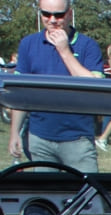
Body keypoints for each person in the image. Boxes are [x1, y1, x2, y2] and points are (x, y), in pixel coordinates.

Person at [8, 0, 105, 173]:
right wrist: (14, 132)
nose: (52, 20)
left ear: (69, 13)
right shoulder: (28, 44)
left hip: (78, 139)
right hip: (39, 138)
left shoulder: (87, 46)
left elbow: (94, 88)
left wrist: (64, 51)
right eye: (46, 14)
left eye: (58, 15)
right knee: (46, 196)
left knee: (86, 195)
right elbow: (21, 95)